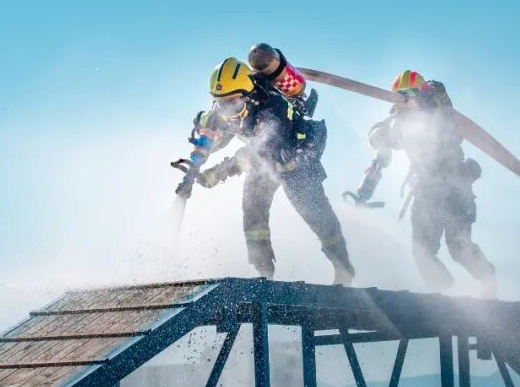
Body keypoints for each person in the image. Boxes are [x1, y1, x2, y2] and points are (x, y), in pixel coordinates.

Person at [174, 57, 355, 285]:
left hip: (296, 157)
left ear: (247, 96)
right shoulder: (226, 110)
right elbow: (211, 139)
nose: (226, 110)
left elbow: (261, 149)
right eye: (221, 103)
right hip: (265, 162)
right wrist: (193, 167)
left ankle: (343, 266)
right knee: (252, 207)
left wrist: (218, 173)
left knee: (314, 211)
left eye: (232, 103)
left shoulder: (272, 107)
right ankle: (264, 273)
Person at [345, 70, 496, 296]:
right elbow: (381, 156)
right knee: (422, 251)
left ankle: (488, 279)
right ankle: (439, 291)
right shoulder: (400, 124)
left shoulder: (440, 114)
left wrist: (428, 97)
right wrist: (364, 191)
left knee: (459, 246)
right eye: (401, 98)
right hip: (427, 193)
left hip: (456, 190)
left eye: (410, 94)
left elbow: (447, 113)